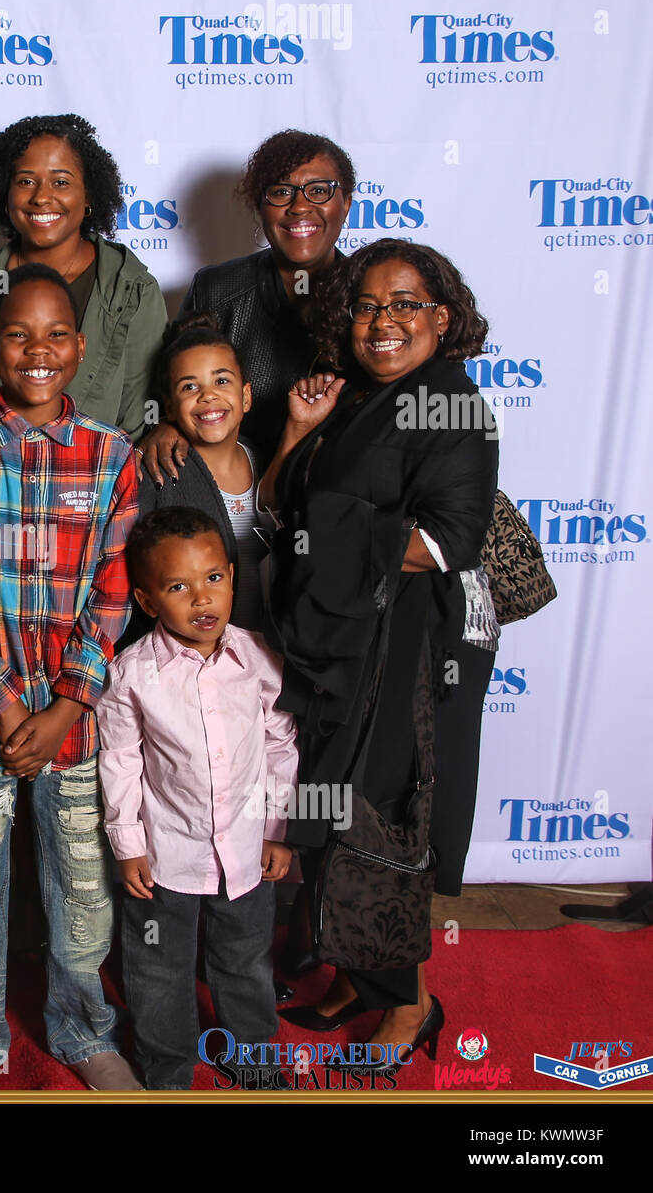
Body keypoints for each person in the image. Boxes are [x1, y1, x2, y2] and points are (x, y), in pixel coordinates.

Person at [260, 239, 498, 1072]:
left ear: (441, 315)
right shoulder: (357, 397)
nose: (383, 321)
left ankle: (413, 1002)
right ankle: (359, 975)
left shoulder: (453, 406)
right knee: (327, 806)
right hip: (338, 642)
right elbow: (279, 502)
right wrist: (298, 432)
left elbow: (447, 542)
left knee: (387, 814)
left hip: (409, 651)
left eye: (404, 304)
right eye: (367, 305)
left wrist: (325, 521)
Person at [0, 263, 140, 1091]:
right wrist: (8, 708)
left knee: (83, 895)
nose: (36, 350)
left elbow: (114, 595)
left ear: (79, 347)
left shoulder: (113, 455)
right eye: (17, 333)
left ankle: (83, 1033)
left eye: (54, 335)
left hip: (75, 726)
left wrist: (70, 702)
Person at [97, 507, 296, 1090]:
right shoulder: (131, 674)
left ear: (233, 576)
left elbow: (281, 746)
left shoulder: (258, 659)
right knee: (159, 970)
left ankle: (254, 1063)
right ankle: (167, 1071)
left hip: (246, 853)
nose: (202, 599)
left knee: (245, 963)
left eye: (213, 578)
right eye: (178, 587)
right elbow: (121, 761)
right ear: (147, 599)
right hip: (166, 859)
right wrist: (128, 845)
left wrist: (276, 830)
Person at [0, 113, 166, 440]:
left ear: (88, 194)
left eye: (61, 182)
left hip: (93, 484)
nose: (41, 196)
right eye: (25, 181)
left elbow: (142, 423)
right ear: (4, 193)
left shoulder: (130, 291)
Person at [141, 129, 355, 478]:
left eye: (318, 191)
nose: (300, 206)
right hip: (234, 488)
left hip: (341, 498)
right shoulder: (217, 290)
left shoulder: (373, 298)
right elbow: (172, 385)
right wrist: (169, 426)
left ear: (345, 202)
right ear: (260, 208)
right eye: (281, 192)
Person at [128, 315, 259, 637]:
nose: (207, 395)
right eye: (190, 386)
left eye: (222, 381)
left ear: (246, 396)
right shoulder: (159, 474)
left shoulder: (262, 457)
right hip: (188, 664)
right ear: (169, 408)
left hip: (265, 660)